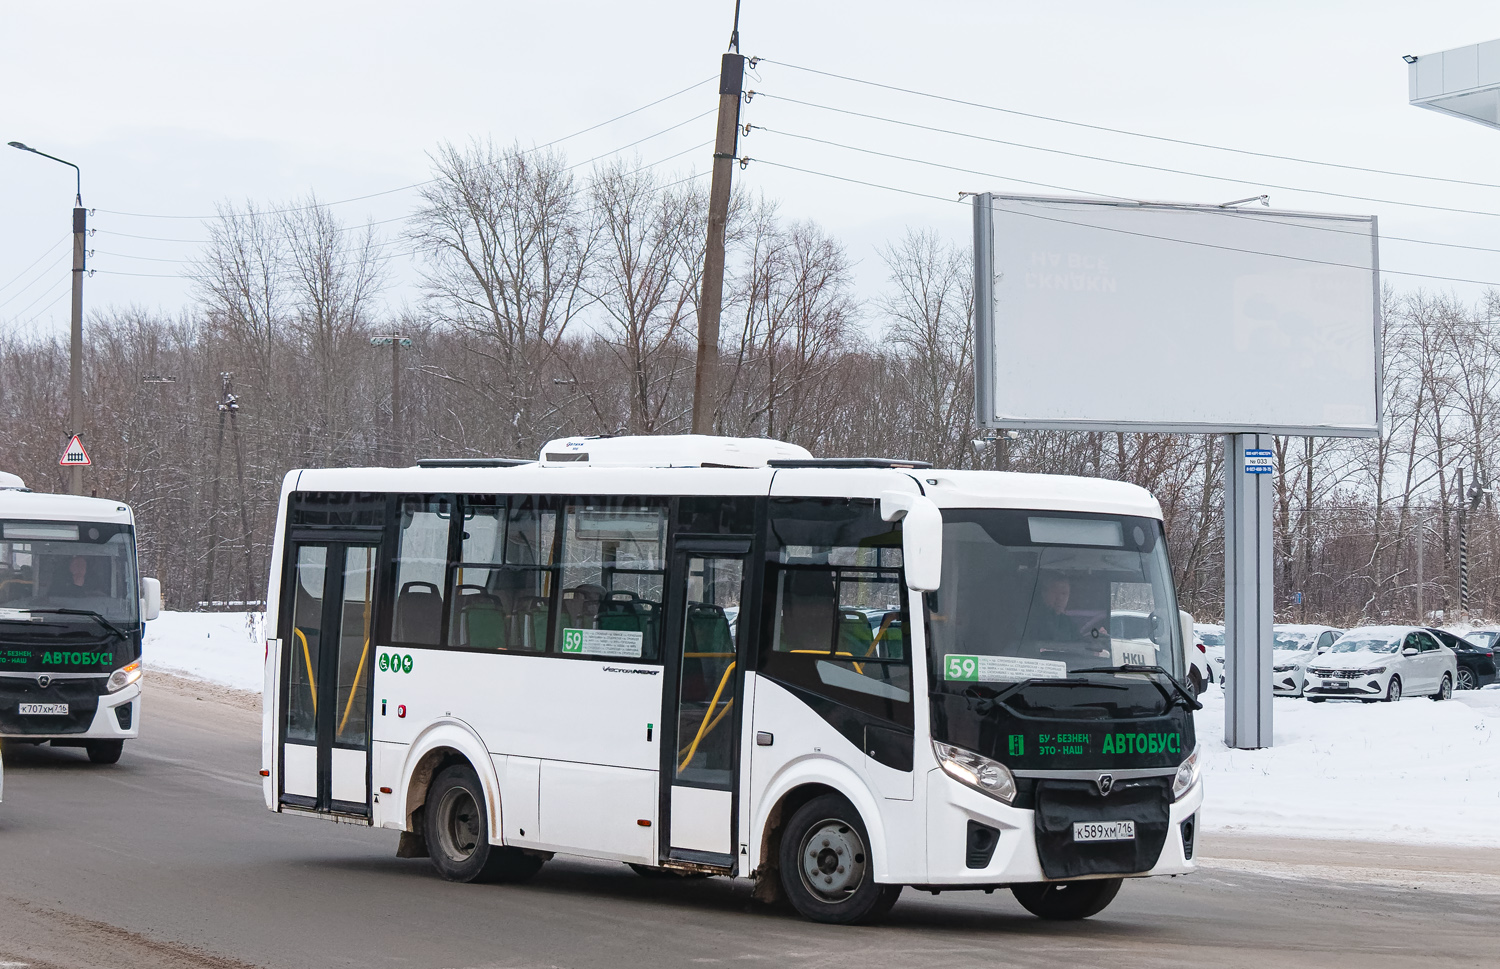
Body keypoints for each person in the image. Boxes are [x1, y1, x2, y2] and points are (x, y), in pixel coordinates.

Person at [1025, 575, 1107, 643]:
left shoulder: (1067, 622)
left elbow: (1077, 644)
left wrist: (1092, 638)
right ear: (1044, 593)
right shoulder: (1031, 619)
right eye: (1055, 592)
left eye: (1064, 593)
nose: (1060, 598)